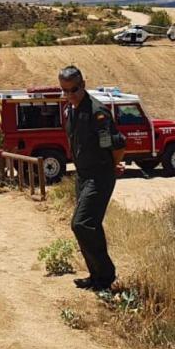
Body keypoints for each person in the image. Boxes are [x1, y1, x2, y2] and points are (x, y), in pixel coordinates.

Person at [60, 65, 126, 292]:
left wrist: (113, 165)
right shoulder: (71, 111)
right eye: (65, 91)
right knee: (90, 227)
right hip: (83, 176)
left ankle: (106, 275)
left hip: (99, 176)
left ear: (83, 85)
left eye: (73, 89)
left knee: (81, 223)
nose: (69, 95)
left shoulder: (97, 113)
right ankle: (96, 276)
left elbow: (118, 145)